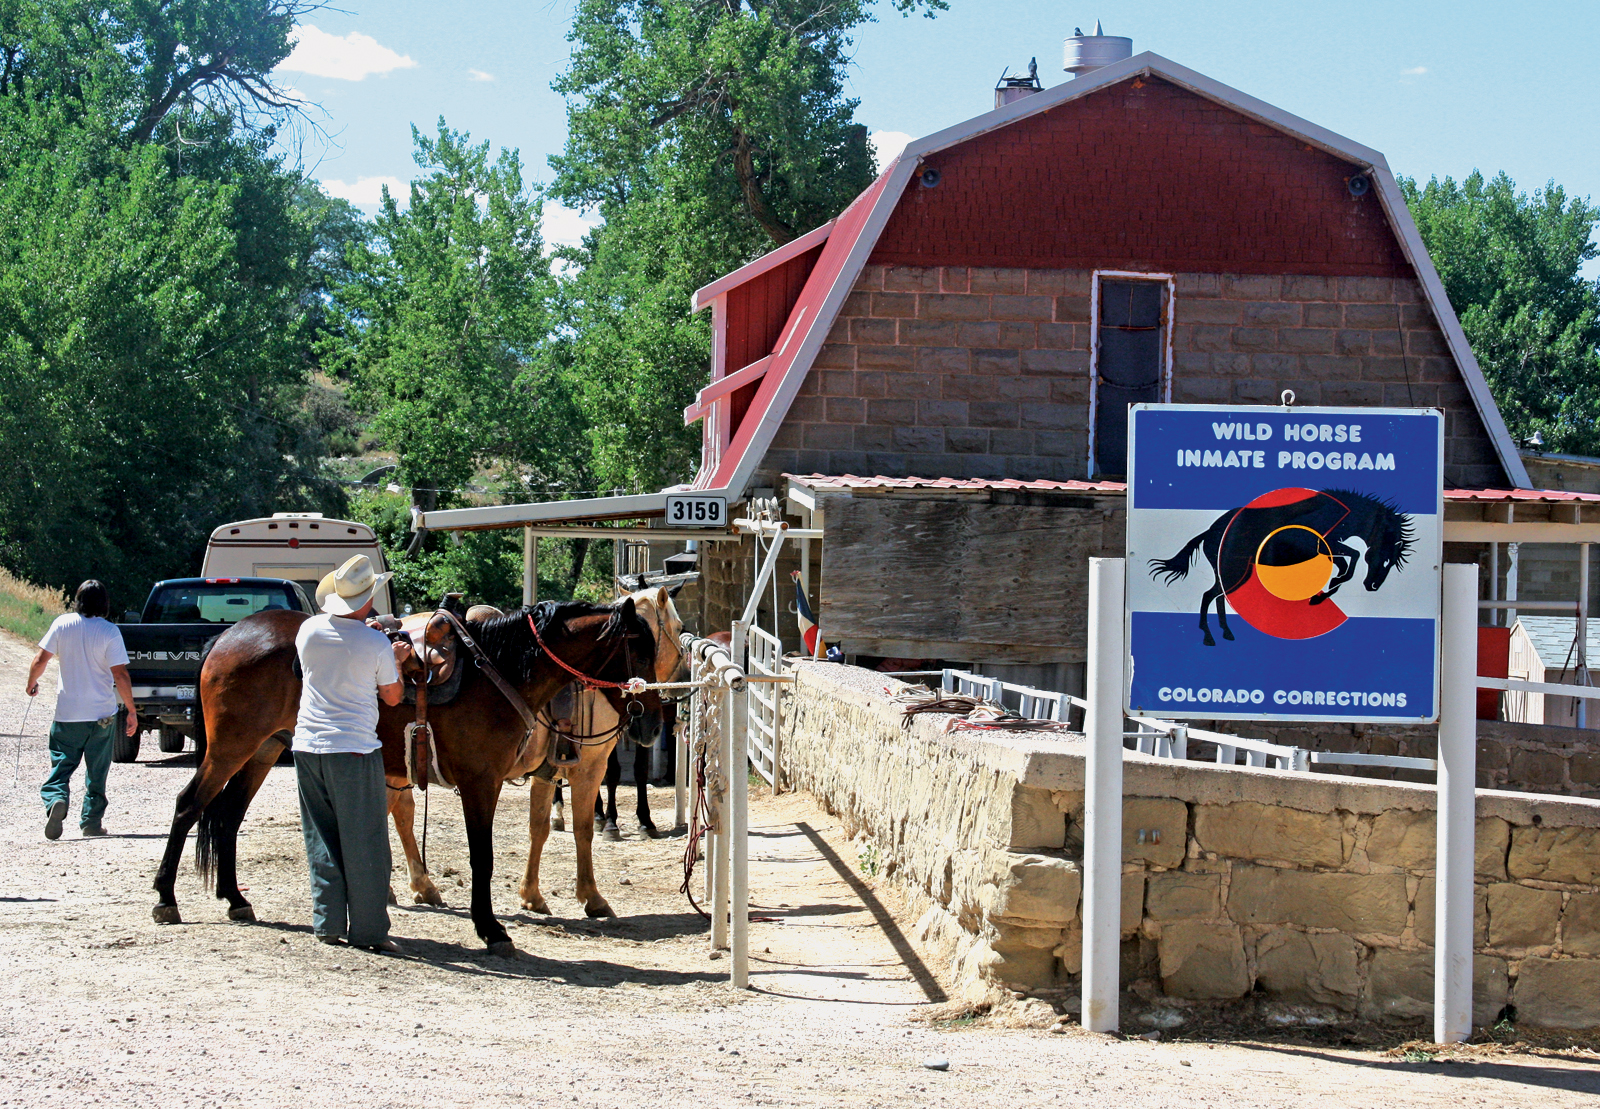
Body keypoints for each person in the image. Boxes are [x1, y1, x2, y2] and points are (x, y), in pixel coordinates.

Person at [293, 554, 411, 953]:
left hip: (308, 745)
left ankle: (327, 922)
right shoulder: (377, 642)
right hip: (355, 748)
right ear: (366, 600)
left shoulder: (307, 630)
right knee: (366, 841)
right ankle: (369, 930)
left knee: (321, 837)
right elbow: (392, 698)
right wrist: (394, 658)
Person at [26, 580, 139, 840]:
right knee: (97, 772)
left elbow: (40, 659)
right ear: (105, 604)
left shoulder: (62, 624)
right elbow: (120, 674)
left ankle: (56, 799)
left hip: (68, 714)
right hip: (102, 715)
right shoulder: (110, 631)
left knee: (61, 766)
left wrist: (31, 683)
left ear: (78, 599)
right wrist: (131, 710)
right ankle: (91, 822)